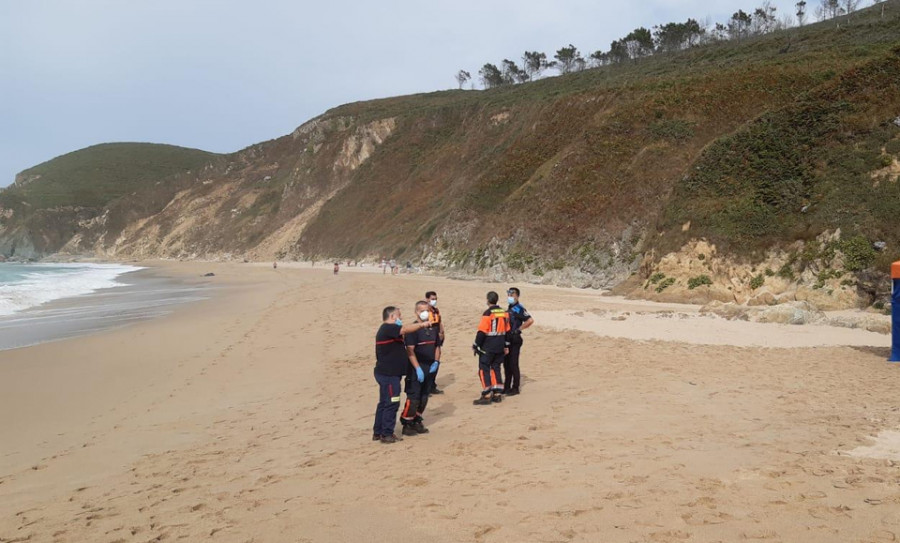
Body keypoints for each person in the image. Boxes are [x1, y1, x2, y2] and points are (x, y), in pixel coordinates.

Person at [373, 306, 432, 444]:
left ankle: (378, 431)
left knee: (384, 402)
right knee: (391, 403)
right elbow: (405, 329)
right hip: (388, 375)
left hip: (389, 374)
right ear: (392, 317)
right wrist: (421, 324)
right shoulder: (388, 328)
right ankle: (387, 433)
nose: (401, 318)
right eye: (399, 316)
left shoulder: (391, 331)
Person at [400, 301, 439, 436]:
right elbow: (410, 350)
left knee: (424, 396)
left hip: (430, 366)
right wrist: (417, 368)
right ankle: (407, 422)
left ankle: (417, 419)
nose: (425, 313)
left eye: (427, 310)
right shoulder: (413, 329)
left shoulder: (433, 327)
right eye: (422, 310)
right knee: (414, 396)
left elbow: (437, 346)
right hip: (417, 367)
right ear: (416, 312)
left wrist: (436, 362)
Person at [472, 291, 510, 405]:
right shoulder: (504, 313)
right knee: (496, 368)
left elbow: (482, 332)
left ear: (488, 300)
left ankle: (487, 394)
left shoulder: (488, 313)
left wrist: (476, 345)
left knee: (484, 369)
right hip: (500, 345)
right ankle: (497, 393)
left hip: (488, 346)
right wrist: (506, 345)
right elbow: (507, 331)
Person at [504, 287, 534, 396]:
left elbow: (530, 320)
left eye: (512, 295)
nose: (510, 297)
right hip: (507, 339)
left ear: (517, 296)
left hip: (515, 339)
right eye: (509, 295)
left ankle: (515, 387)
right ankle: (506, 386)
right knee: (506, 364)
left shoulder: (519, 308)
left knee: (513, 363)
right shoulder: (510, 308)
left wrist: (519, 329)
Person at [425, 291, 445, 394]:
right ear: (427, 299)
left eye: (435, 299)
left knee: (436, 361)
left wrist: (442, 332)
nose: (434, 301)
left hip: (437, 336)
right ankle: (426, 387)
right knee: (427, 362)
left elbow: (439, 322)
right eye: (432, 299)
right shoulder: (424, 311)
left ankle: (432, 385)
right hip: (428, 337)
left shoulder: (436, 310)